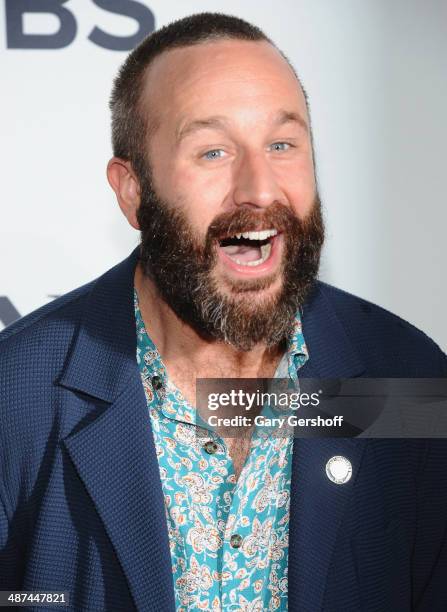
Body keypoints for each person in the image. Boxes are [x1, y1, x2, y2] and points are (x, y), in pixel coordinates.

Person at [1, 12, 446, 612]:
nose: (259, 189)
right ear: (133, 191)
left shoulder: (407, 381)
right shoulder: (18, 394)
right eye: (212, 151)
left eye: (283, 144)